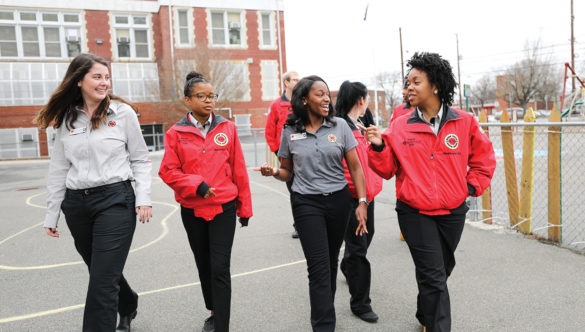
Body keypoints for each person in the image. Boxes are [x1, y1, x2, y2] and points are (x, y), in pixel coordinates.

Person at [363, 52, 496, 332]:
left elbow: (484, 160)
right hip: (414, 212)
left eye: (416, 81)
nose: (408, 87)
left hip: (452, 211)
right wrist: (377, 147)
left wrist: (469, 188)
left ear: (435, 85)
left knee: (441, 270)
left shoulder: (465, 122)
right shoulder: (399, 126)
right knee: (434, 276)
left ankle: (425, 313)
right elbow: (387, 169)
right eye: (407, 82)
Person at [34, 53, 152, 332]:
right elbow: (59, 169)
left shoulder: (122, 114)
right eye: (97, 77)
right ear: (79, 81)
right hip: (77, 206)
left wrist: (143, 198)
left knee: (101, 280)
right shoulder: (65, 119)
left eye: (107, 77)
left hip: (115, 201)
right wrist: (52, 214)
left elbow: (140, 159)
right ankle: (128, 301)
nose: (104, 83)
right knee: (101, 271)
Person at [256, 75, 368, 332]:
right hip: (307, 204)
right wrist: (274, 173)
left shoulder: (339, 126)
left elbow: (355, 168)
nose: (327, 98)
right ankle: (323, 325)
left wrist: (361, 202)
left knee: (329, 262)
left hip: (339, 202)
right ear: (304, 99)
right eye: (320, 94)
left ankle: (323, 309)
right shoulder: (289, 131)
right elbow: (287, 171)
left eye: (328, 94)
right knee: (318, 267)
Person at [158, 71, 252, 332]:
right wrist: (196, 185)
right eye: (202, 96)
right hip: (192, 209)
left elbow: (239, 170)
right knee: (204, 264)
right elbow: (168, 171)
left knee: (220, 267)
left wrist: (245, 207)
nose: (208, 101)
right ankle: (213, 310)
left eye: (212, 96)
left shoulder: (228, 128)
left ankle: (221, 324)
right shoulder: (175, 133)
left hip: (224, 208)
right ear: (187, 100)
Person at [334, 81, 383, 324]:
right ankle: (360, 303)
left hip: (368, 195)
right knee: (359, 250)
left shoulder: (362, 126)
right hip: (353, 198)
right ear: (361, 100)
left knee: (365, 240)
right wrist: (356, 196)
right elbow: (348, 167)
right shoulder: (341, 127)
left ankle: (348, 264)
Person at [264, 70, 301, 238]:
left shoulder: (303, 102)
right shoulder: (276, 105)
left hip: (304, 154)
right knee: (294, 191)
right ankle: (299, 225)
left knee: (307, 190)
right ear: (286, 83)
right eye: (294, 79)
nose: (298, 81)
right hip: (287, 157)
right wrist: (278, 151)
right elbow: (270, 131)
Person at [391, 77, 412, 241]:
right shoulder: (399, 110)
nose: (405, 92)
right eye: (404, 88)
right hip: (403, 159)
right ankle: (405, 228)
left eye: (408, 87)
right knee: (403, 192)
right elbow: (392, 132)